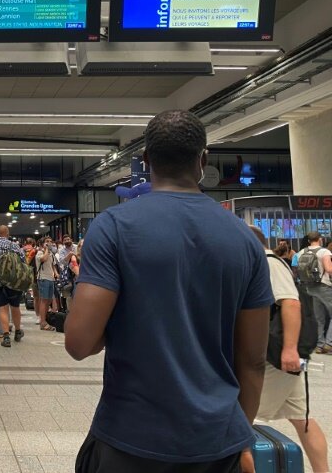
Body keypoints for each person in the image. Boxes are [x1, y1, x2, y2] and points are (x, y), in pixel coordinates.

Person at [65, 110, 273, 473]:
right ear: (203, 160)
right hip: (216, 444)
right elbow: (253, 361)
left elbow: (79, 343)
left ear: (146, 161)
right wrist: (241, 437)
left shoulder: (113, 227)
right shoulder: (245, 240)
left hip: (129, 439)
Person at [249, 226, 330, 473]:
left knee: (242, 416)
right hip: (283, 354)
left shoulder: (268, 263)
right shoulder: (267, 262)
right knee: (302, 418)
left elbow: (291, 304)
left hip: (278, 355)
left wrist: (290, 351)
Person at [0, 225, 25, 348]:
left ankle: (5, 336)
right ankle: (18, 331)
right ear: (7, 233)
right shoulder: (13, 245)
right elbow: (22, 260)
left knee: (2, 308)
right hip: (13, 282)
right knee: (15, 307)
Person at [295, 232, 332, 354]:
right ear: (320, 239)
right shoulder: (324, 252)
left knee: (319, 317)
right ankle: (329, 343)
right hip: (324, 286)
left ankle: (319, 345)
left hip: (309, 287)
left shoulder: (301, 252)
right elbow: (329, 269)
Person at [35, 238, 59, 331]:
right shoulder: (40, 253)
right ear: (42, 244)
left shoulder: (51, 254)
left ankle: (45, 319)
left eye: (50, 241)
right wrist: (46, 250)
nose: (49, 243)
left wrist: (56, 273)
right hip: (43, 278)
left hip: (50, 278)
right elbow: (43, 259)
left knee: (49, 300)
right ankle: (42, 322)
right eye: (47, 242)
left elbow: (53, 265)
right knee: (44, 300)